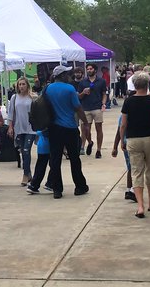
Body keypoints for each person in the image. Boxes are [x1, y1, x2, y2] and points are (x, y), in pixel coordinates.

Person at [119, 72, 150, 218]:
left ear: (134, 85)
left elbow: (123, 125)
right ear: (148, 85)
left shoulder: (128, 102)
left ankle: (140, 206)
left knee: (136, 171)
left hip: (133, 139)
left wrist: (122, 140)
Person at [46, 65, 90, 199]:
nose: (69, 76)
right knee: (74, 158)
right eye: (67, 73)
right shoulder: (70, 89)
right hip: (70, 127)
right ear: (62, 75)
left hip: (54, 128)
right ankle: (80, 186)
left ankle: (57, 189)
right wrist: (85, 122)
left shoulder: (47, 89)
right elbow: (78, 107)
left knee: (55, 159)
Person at [7, 77, 36, 186]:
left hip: (31, 128)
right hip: (19, 128)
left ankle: (25, 174)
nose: (21, 86)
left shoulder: (33, 97)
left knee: (26, 150)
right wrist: (10, 126)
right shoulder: (14, 98)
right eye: (20, 84)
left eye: (23, 84)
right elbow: (11, 113)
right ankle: (29, 174)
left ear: (27, 85)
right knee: (22, 151)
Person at [78, 63, 107, 158]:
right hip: (85, 108)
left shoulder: (101, 81)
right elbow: (79, 96)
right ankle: (89, 142)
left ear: (95, 70)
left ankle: (99, 150)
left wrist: (103, 103)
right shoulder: (83, 82)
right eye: (88, 69)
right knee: (86, 130)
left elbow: (104, 94)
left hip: (97, 107)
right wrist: (83, 92)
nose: (89, 70)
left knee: (99, 129)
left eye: (91, 69)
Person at [112, 114, 136, 202]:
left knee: (130, 167)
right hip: (134, 143)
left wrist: (115, 147)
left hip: (126, 144)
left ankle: (128, 189)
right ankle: (133, 190)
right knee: (137, 168)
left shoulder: (122, 116)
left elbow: (119, 131)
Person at [26, 129, 53, 194]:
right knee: (54, 165)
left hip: (42, 145)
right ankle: (50, 183)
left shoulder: (41, 121)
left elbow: (38, 131)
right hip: (50, 145)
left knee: (40, 167)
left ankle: (34, 185)